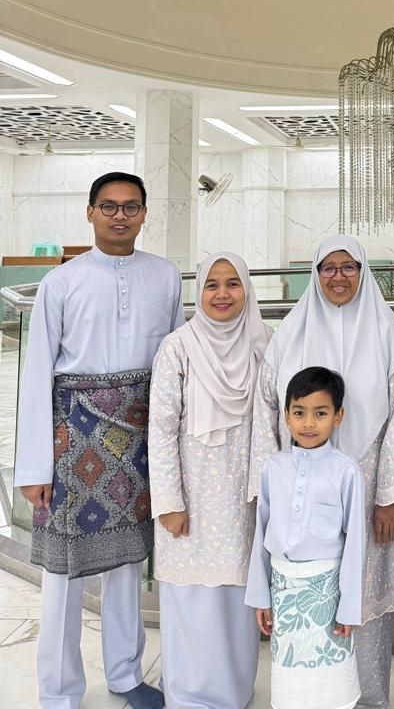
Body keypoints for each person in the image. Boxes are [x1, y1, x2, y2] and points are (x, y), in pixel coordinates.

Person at [14, 171, 184, 709]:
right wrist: (35, 466)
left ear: (144, 213)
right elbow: (37, 371)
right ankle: (59, 691)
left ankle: (126, 675)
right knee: (63, 571)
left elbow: (176, 363)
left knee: (127, 562)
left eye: (130, 206)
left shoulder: (165, 276)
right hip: (73, 439)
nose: (119, 216)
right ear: (90, 212)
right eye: (108, 206)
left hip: (139, 439)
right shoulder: (61, 282)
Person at [250, 235, 394, 709]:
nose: (338, 276)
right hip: (300, 491)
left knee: (364, 595)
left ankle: (369, 699)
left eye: (349, 267)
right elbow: (266, 412)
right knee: (308, 599)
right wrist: (270, 487)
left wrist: (390, 496)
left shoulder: (386, 332)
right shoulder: (290, 333)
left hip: (368, 486)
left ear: (363, 272)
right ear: (315, 274)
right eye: (328, 267)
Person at [148, 252, 269, 708]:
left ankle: (234, 691)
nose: (222, 294)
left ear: (246, 290)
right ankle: (187, 695)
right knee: (191, 599)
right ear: (198, 292)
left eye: (233, 283)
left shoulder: (262, 344)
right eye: (212, 285)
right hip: (190, 496)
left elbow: (276, 422)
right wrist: (169, 502)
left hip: (242, 496)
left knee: (236, 597)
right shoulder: (177, 347)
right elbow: (160, 429)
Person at [246, 366, 366, 709]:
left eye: (320, 413)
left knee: (331, 684)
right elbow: (262, 535)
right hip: (284, 592)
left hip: (326, 595)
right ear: (286, 415)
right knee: (291, 684)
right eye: (299, 413)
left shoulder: (346, 471)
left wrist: (348, 607)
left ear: (338, 416)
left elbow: (355, 545)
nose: (309, 423)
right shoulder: (273, 468)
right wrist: (261, 595)